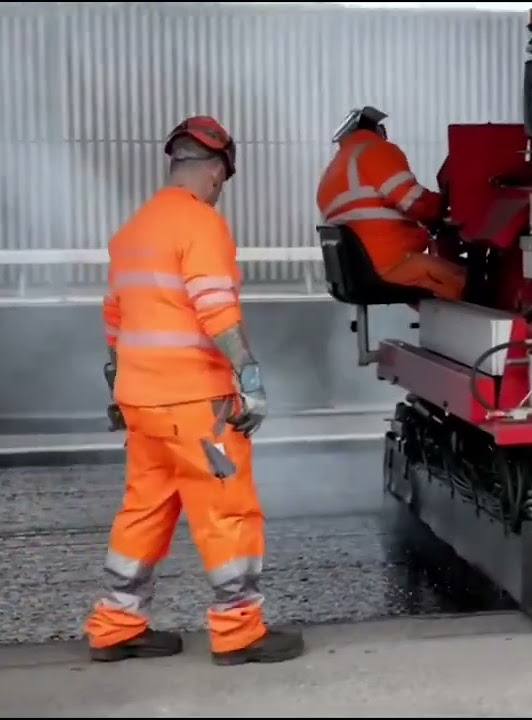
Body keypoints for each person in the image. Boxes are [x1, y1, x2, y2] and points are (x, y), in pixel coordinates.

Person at [87, 116, 302, 667]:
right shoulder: (200, 225)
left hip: (142, 402)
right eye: (222, 179)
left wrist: (118, 384)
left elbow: (116, 318)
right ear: (213, 171)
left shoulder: (133, 229)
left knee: (144, 510)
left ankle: (116, 624)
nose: (220, 189)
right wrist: (249, 379)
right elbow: (215, 307)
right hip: (195, 406)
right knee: (227, 511)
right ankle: (238, 632)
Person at [316, 106, 467, 300]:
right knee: (463, 280)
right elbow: (413, 201)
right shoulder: (374, 150)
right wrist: (443, 206)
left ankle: (436, 328)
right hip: (390, 262)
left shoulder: (333, 170)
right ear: (375, 130)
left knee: (438, 282)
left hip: (359, 270)